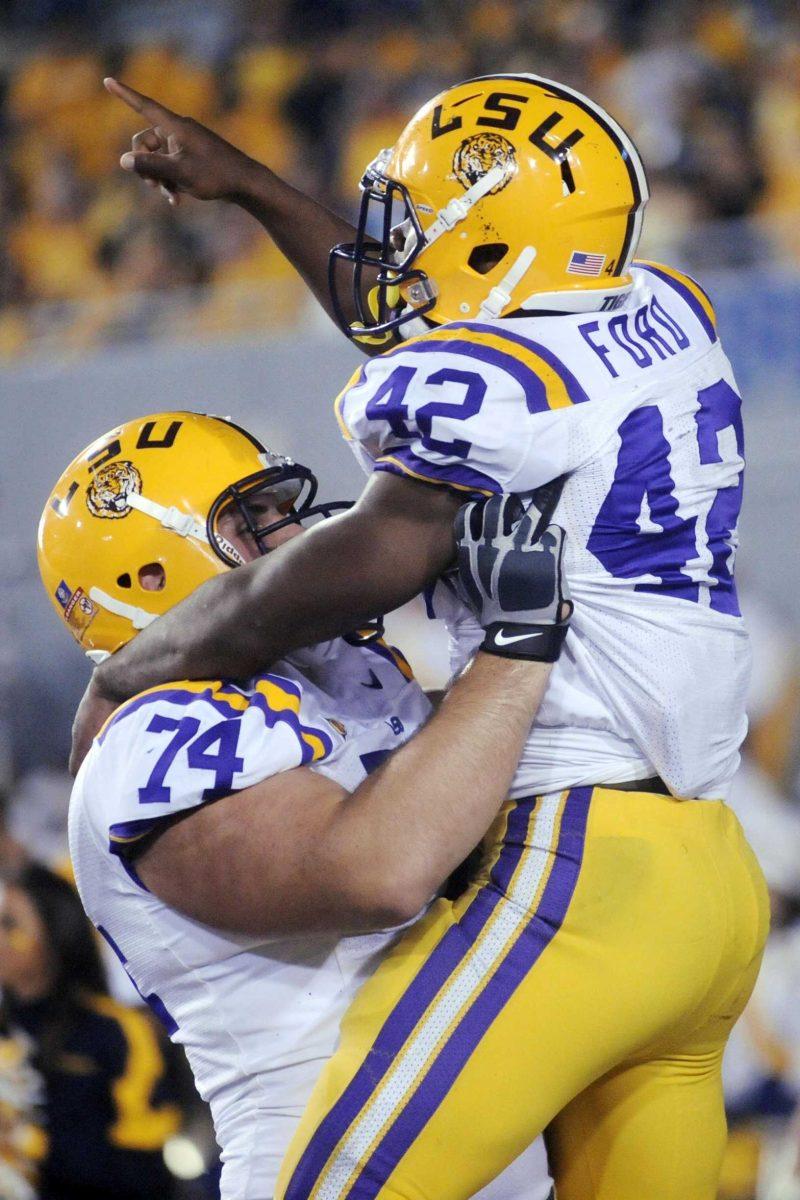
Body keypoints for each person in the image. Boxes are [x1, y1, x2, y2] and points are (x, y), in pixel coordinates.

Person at [66, 74, 767, 1198]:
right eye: (253, 521)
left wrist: (144, 658)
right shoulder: (659, 306)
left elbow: (381, 548)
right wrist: (248, 185)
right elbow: (433, 327)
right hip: (702, 869)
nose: (294, 531)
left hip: (580, 863)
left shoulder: (476, 395)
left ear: (489, 242)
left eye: (415, 223)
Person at [38, 409, 571, 1200]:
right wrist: (517, 647)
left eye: (284, 511)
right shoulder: (150, 739)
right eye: (252, 520)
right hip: (332, 1152)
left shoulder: (329, 670)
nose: (295, 539)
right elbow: (380, 872)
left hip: (472, 1137)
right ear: (145, 576)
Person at [0, 862, 180, 1200]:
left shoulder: (117, 1031)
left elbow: (146, 1173)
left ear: (56, 933)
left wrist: (26, 1140)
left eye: (9, 923)